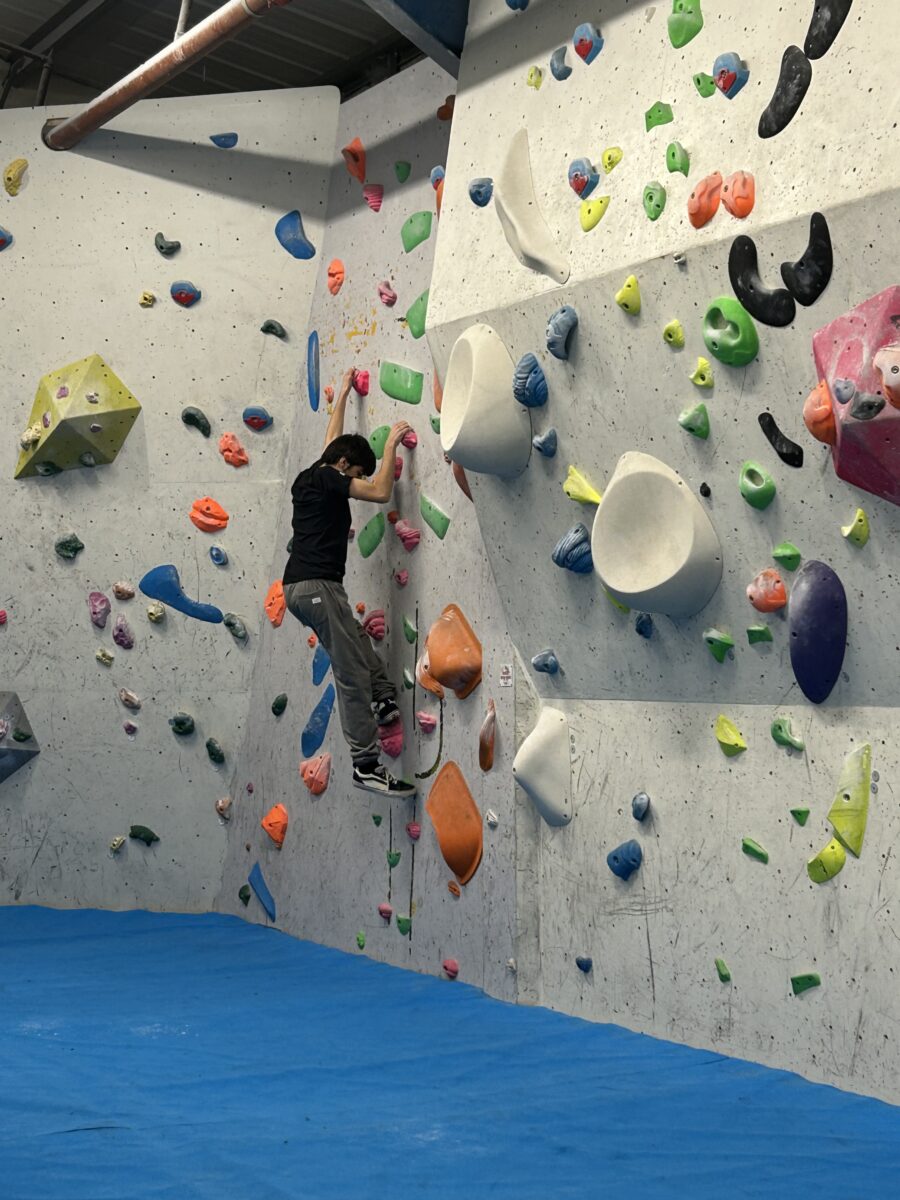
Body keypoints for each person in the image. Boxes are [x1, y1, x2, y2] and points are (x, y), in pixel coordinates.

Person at [282, 366, 416, 798]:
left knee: (357, 644)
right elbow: (378, 493)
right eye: (354, 471)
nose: (353, 478)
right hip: (317, 586)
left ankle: (381, 696)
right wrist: (392, 443)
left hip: (304, 589)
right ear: (344, 467)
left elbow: (331, 442)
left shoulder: (315, 473)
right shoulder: (328, 476)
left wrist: (341, 395)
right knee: (348, 670)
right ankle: (366, 763)